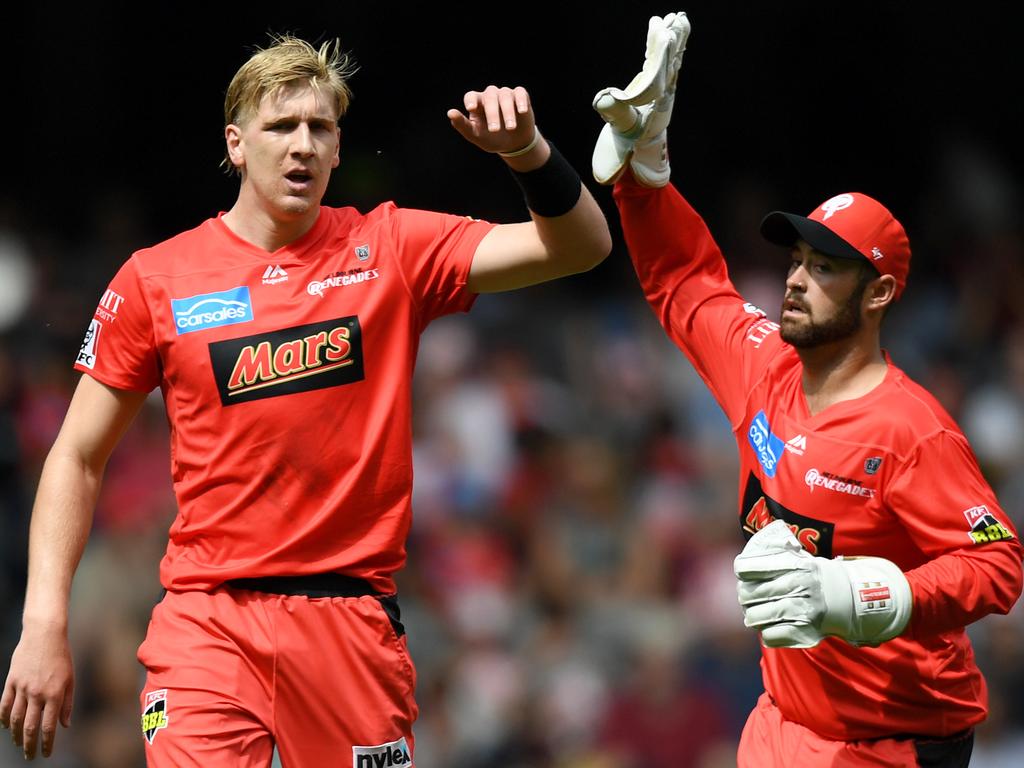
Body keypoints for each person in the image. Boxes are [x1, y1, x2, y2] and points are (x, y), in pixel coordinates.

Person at [0, 35, 611, 765]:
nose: (303, 146)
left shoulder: (390, 247)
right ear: (235, 144)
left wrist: (529, 154)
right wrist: (43, 625)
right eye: (281, 127)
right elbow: (76, 456)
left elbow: (581, 247)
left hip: (351, 625)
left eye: (320, 128)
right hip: (209, 624)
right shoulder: (156, 279)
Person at [592, 12, 1023, 768]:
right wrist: (641, 171)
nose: (795, 278)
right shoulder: (762, 366)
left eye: (825, 268)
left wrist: (858, 597)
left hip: (892, 744)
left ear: (880, 292)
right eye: (797, 260)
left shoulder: (911, 431)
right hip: (780, 723)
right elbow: (685, 279)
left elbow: (997, 566)